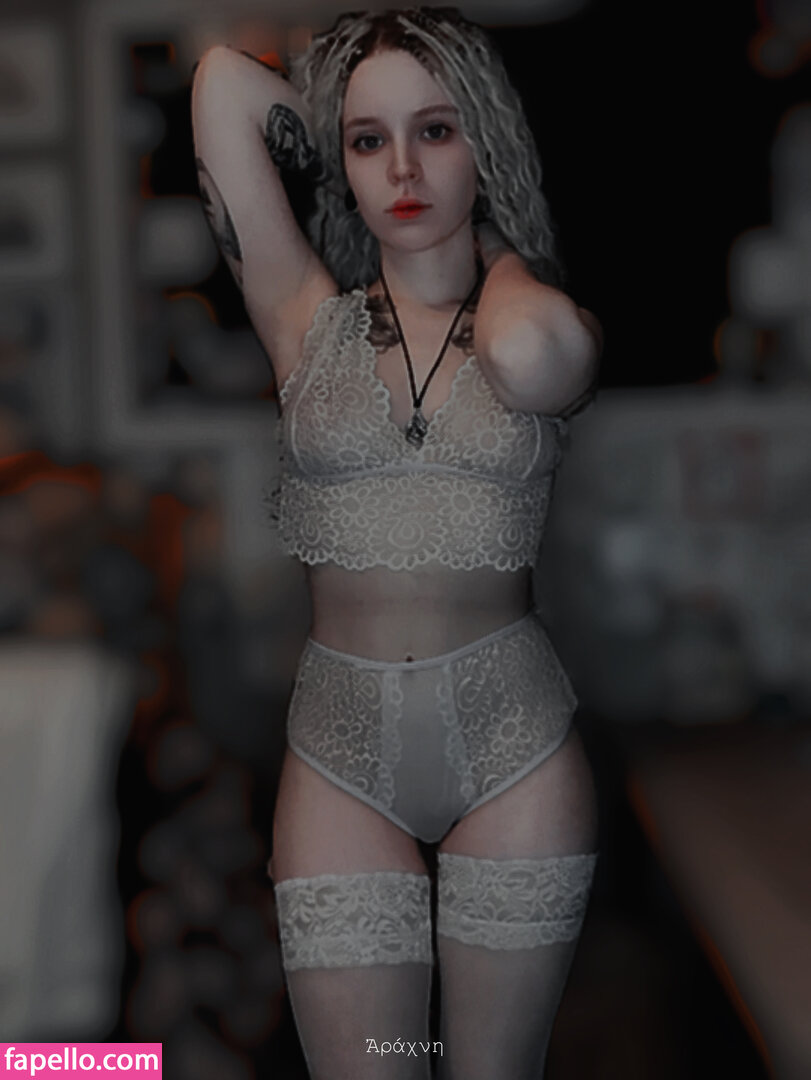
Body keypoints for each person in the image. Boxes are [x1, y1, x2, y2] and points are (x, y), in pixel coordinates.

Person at [192, 8, 602, 1078]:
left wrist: (500, 251)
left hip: (514, 746)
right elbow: (223, 83)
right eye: (369, 141)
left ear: (484, 142)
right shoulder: (300, 317)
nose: (403, 170)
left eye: (437, 130)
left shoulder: (538, 317)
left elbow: (534, 354)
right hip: (340, 754)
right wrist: (335, 110)